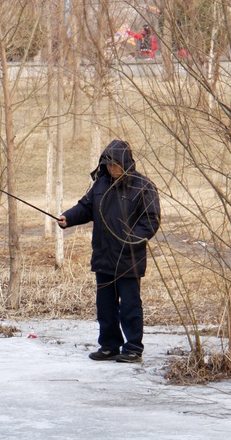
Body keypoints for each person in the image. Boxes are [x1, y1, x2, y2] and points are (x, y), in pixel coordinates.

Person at [57, 140, 162, 363]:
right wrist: (68, 217)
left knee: (130, 305)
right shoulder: (100, 185)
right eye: (108, 165)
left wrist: (130, 240)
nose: (112, 170)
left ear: (125, 163)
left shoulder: (143, 186)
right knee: (105, 305)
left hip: (129, 258)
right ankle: (109, 345)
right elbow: (85, 208)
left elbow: (151, 220)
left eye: (115, 166)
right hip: (103, 255)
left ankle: (133, 347)